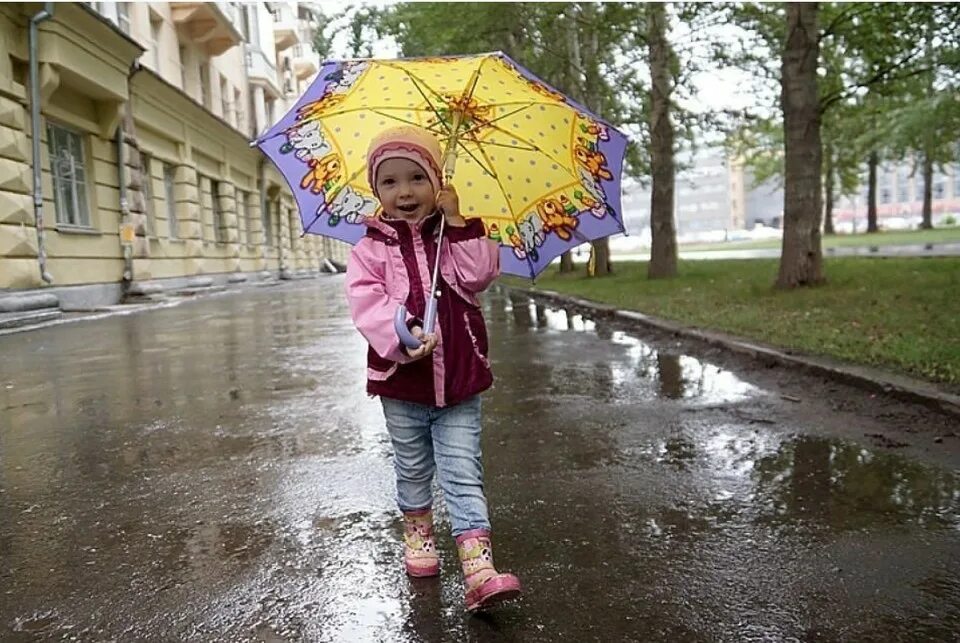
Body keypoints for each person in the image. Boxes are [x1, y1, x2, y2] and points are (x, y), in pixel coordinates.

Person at [344, 125, 521, 611]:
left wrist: (458, 221)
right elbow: (366, 302)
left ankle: (478, 569)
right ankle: (418, 534)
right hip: (402, 384)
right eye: (390, 182)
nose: (404, 191)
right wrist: (402, 334)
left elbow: (480, 274)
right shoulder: (370, 250)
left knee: (463, 472)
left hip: (459, 380)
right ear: (376, 190)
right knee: (413, 467)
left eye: (417, 178)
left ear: (438, 182)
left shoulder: (456, 234)